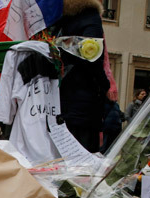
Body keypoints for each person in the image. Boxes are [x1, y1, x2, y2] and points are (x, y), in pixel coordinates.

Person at [52, 0, 109, 152]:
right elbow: (93, 57)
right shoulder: (91, 16)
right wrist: (104, 84)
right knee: (82, 162)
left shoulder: (58, 19)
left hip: (58, 99)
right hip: (84, 101)